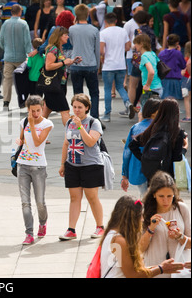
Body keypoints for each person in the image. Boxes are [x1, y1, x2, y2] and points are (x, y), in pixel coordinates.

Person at [100, 194, 186, 278]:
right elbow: (133, 275)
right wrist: (161, 268)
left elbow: (133, 270)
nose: (142, 219)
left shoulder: (112, 235)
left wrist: (159, 267)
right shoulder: (119, 241)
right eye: (140, 215)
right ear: (131, 218)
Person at [59, 94, 105, 241]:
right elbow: (66, 143)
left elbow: (91, 142)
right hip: (72, 164)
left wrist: (80, 126)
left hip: (91, 165)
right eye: (74, 107)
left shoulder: (93, 122)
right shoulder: (69, 123)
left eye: (80, 107)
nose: (77, 110)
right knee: (74, 197)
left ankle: (100, 227)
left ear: (87, 108)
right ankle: (71, 229)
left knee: (92, 197)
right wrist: (62, 164)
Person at [15, 95, 53, 244]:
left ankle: (42, 223)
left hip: (38, 166)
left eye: (38, 110)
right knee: (25, 202)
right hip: (22, 165)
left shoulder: (47, 124)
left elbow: (37, 143)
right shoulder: (24, 121)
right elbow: (23, 140)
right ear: (28, 109)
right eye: (33, 111)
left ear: (42, 108)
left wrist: (32, 123)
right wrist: (19, 141)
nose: (36, 113)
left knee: (40, 202)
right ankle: (29, 233)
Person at [139, 171, 191, 278]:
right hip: (155, 270)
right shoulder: (145, 212)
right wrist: (150, 229)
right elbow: (139, 249)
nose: (166, 200)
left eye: (169, 196)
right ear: (153, 194)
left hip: (180, 272)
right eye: (161, 196)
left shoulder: (181, 209)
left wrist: (180, 237)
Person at [129, 98, 188, 182]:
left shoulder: (153, 128)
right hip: (168, 177)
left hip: (152, 175)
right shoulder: (177, 132)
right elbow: (177, 159)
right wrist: (185, 148)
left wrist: (144, 158)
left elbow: (132, 145)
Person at [121, 98, 161, 197]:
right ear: (154, 112)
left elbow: (127, 152)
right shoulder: (161, 128)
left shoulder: (135, 128)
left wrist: (124, 174)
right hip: (157, 170)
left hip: (138, 169)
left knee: (144, 197)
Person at [69, 4, 101, 121]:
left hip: (76, 64)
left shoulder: (71, 29)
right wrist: (98, 66)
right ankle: (95, 118)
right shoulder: (94, 30)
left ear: (76, 15)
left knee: (77, 93)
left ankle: (79, 117)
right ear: (88, 15)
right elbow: (97, 50)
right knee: (94, 93)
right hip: (90, 64)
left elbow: (72, 43)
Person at [42, 26, 78, 126]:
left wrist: (71, 61)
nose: (67, 37)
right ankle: (70, 135)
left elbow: (60, 63)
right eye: (65, 35)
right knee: (65, 110)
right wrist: (63, 62)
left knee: (46, 111)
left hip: (57, 84)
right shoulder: (53, 49)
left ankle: (37, 134)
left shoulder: (58, 48)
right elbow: (48, 66)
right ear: (59, 37)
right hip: (54, 86)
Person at [100, 12, 133, 122]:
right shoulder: (122, 31)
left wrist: (103, 58)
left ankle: (107, 114)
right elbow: (128, 47)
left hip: (108, 65)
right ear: (115, 21)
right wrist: (119, 51)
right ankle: (127, 103)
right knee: (120, 86)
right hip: (121, 64)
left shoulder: (103, 33)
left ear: (105, 21)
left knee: (108, 89)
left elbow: (101, 50)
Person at [0, 4, 32, 111]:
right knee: (22, 80)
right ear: (20, 12)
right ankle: (22, 101)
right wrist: (29, 54)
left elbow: (1, 40)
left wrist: (6, 49)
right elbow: (27, 41)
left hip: (8, 56)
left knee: (7, 80)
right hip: (21, 57)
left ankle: (5, 103)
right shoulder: (23, 24)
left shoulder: (5, 24)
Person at [132, 33, 163, 106]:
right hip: (158, 86)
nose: (134, 46)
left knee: (143, 113)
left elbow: (151, 71)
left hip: (150, 89)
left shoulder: (144, 56)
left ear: (141, 44)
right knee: (153, 113)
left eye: (136, 44)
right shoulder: (152, 53)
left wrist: (147, 85)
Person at [124, 2, 144, 102]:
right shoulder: (129, 24)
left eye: (142, 11)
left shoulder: (144, 24)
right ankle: (132, 104)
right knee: (133, 82)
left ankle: (137, 103)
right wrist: (132, 47)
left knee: (142, 82)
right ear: (133, 11)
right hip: (131, 56)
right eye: (138, 11)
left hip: (143, 57)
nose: (141, 13)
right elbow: (125, 40)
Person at [158, 34, 187, 99]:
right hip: (175, 80)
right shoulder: (178, 53)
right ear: (177, 43)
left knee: (164, 100)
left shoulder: (161, 53)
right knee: (174, 101)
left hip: (163, 80)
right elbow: (183, 65)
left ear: (167, 42)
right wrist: (179, 51)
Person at [181, 42, 191, 123]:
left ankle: (188, 116)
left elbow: (187, 65)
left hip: (187, 79)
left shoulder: (187, 59)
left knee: (186, 98)